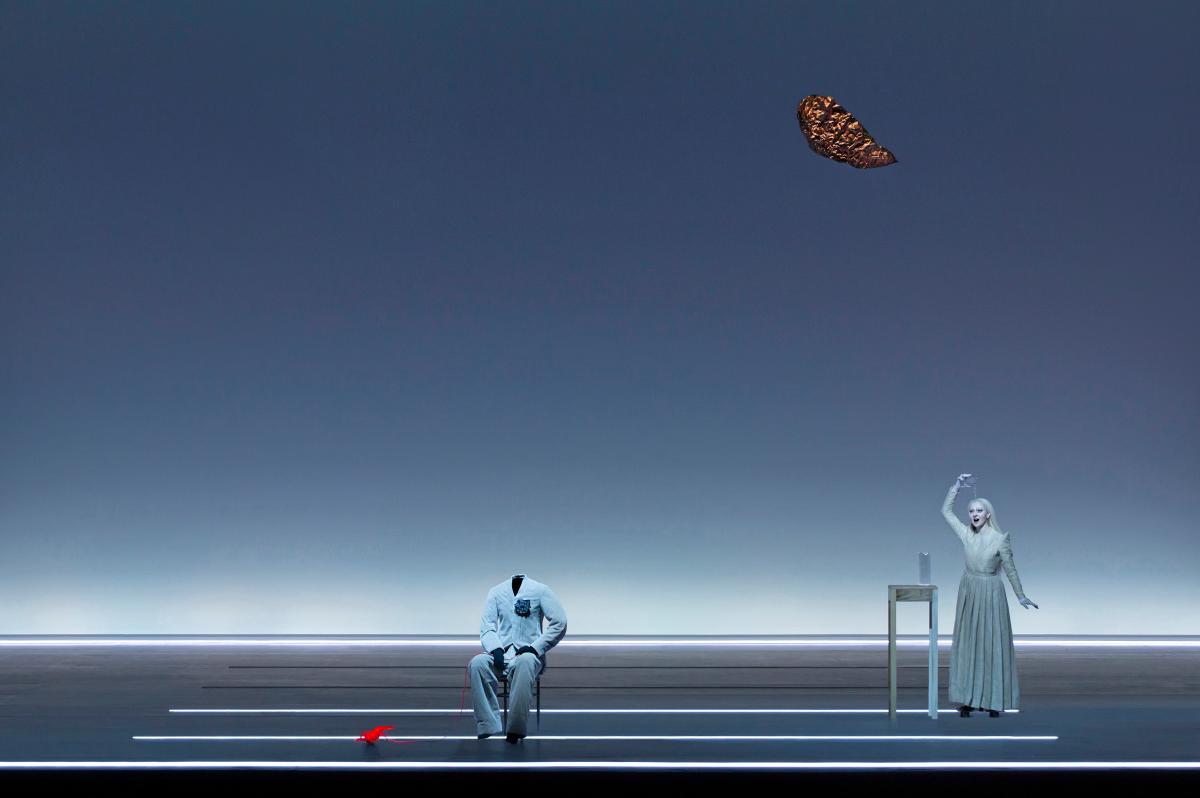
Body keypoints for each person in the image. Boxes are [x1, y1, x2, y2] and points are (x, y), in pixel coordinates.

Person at [942, 473, 1038, 717]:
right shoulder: (966, 534)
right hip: (969, 590)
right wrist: (957, 486)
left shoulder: (1000, 539)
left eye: (979, 510)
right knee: (968, 644)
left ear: (988, 515)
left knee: (991, 645)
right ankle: (967, 699)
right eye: (971, 510)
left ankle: (993, 700)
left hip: (991, 592)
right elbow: (946, 512)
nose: (974, 514)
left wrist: (1021, 595)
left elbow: (1011, 569)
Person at [468, 573, 567, 742]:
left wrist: (536, 648)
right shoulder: (496, 592)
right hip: (503, 653)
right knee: (477, 663)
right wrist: (495, 648)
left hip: (528, 654)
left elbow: (560, 622)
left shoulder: (540, 590)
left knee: (525, 663)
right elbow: (487, 625)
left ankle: (516, 728)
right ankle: (487, 724)